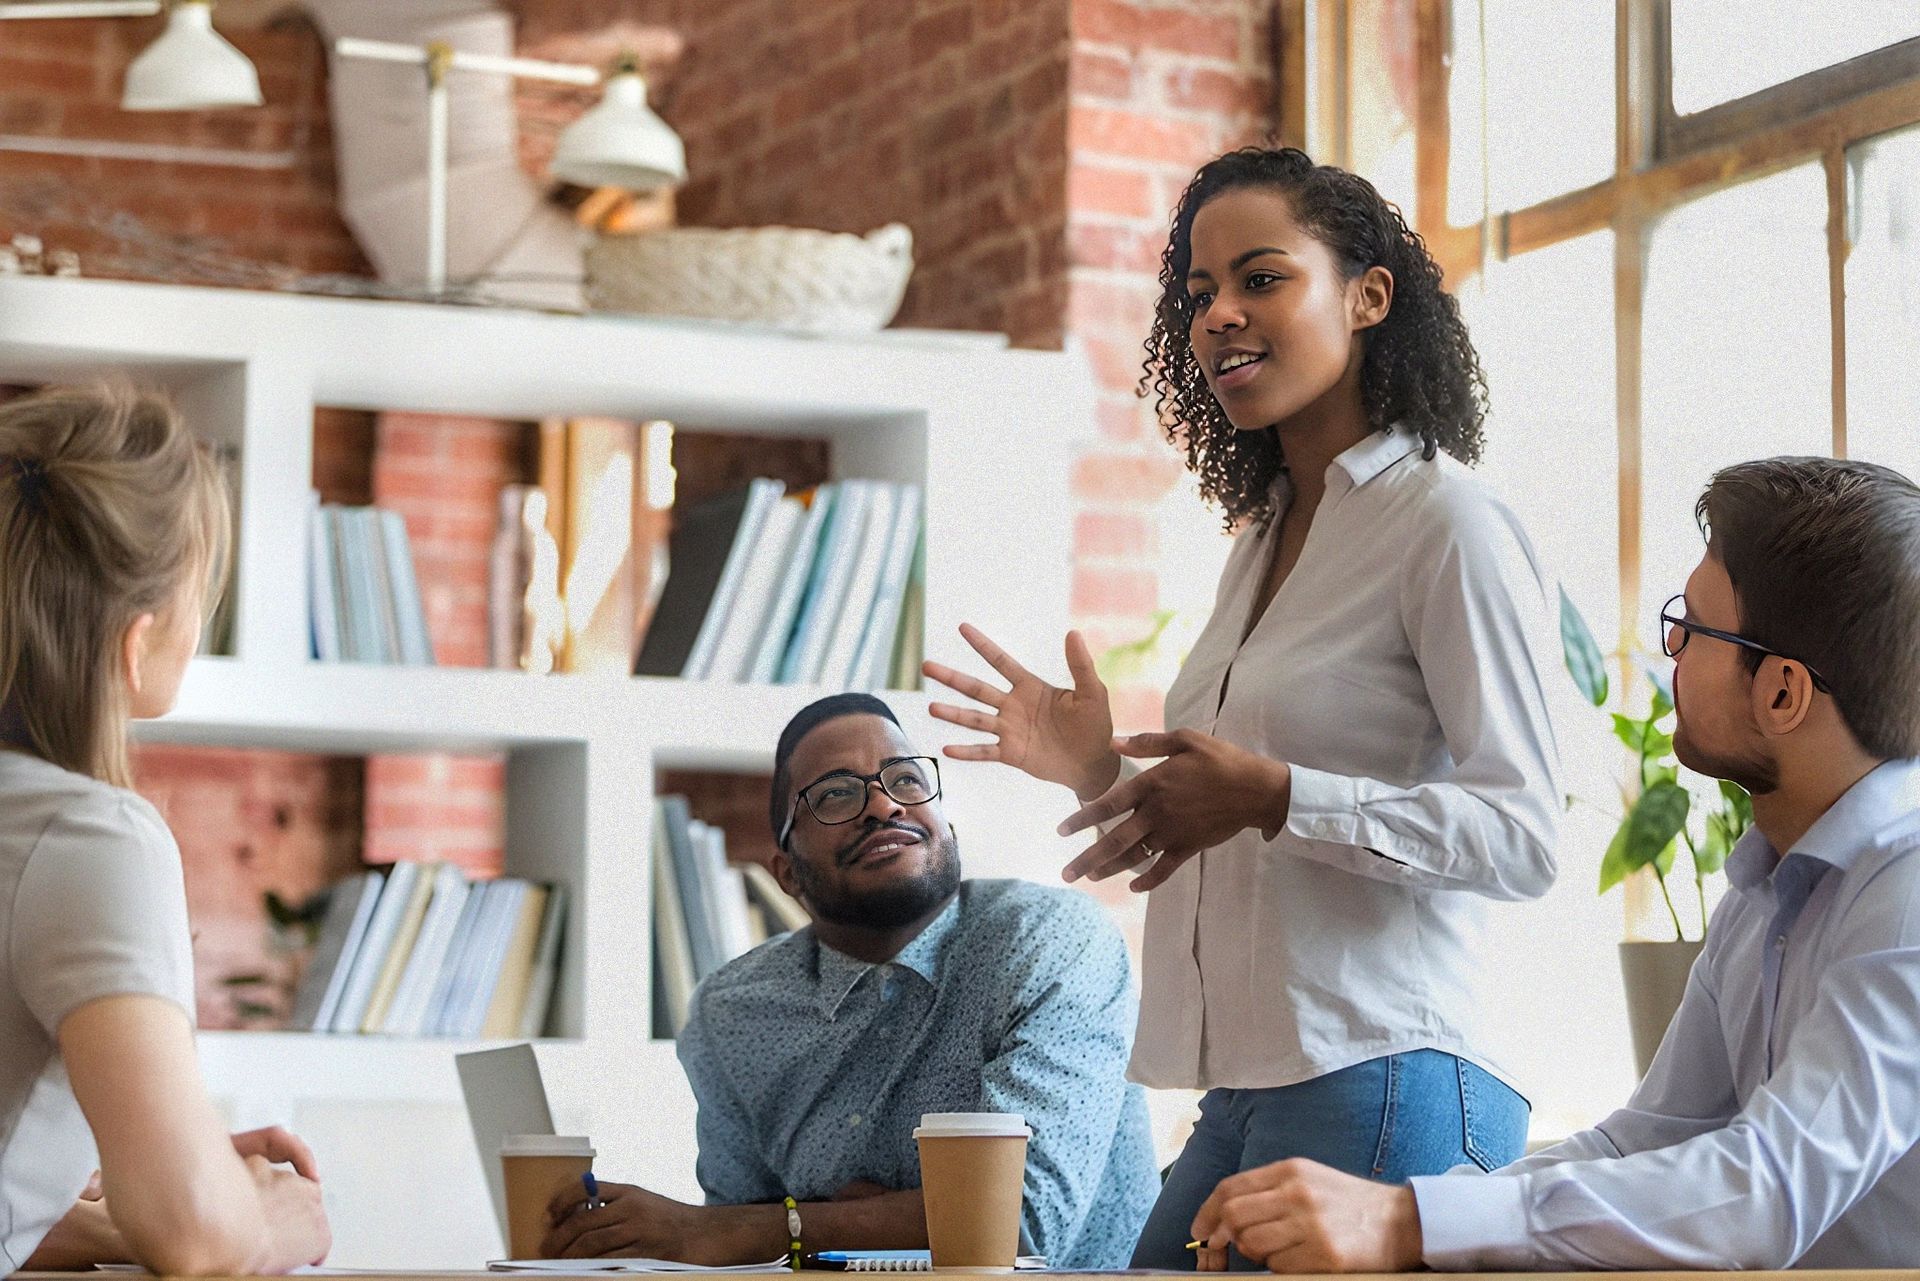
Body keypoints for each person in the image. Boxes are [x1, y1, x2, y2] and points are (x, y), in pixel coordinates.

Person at [922, 146, 1562, 1268]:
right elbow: (1233, 812)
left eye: (1261, 279)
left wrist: (1273, 796)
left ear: (1368, 296)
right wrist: (1094, 772)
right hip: (1250, 1090)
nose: (1219, 315)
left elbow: (1522, 836)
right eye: (1199, 292)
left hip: (1391, 1070)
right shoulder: (1263, 541)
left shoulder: (1445, 527)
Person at [1186, 456, 1920, 1272]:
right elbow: (1645, 1138)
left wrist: (1410, 1223)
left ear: (1782, 693)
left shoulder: (1908, 892)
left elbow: (1766, 1190)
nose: (1667, 650)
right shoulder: (1770, 887)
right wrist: (1422, 1218)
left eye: (1693, 629)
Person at [542, 693, 1159, 1269]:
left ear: (947, 826)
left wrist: (779, 1226)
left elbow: (1015, 1225)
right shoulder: (732, 1012)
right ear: (787, 872)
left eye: (907, 780)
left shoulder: (1049, 941)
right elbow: (748, 1258)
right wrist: (847, 1223)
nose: (885, 805)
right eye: (836, 795)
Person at [0, 386, 331, 1274]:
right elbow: (196, 1240)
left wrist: (158, 1176)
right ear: (138, 640)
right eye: (201, 592)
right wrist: (268, 1219)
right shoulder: (89, 836)